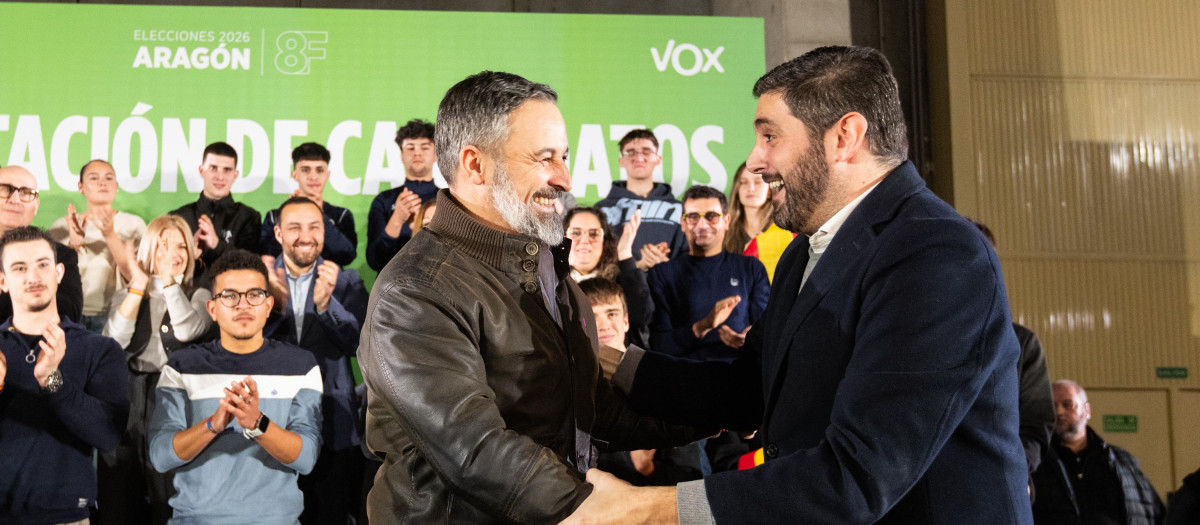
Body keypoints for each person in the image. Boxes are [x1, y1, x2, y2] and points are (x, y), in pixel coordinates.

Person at [564, 46, 1032, 524]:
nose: (754, 161)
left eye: (770, 136)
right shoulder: (803, 253)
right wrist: (612, 363)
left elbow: (858, 475)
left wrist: (643, 508)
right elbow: (749, 390)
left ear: (844, 137)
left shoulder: (935, 252)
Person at [358, 70, 702, 523]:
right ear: (475, 165)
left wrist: (730, 406)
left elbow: (592, 409)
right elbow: (475, 451)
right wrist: (642, 509)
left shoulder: (548, 271)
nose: (565, 178)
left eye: (564, 156)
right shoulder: (414, 290)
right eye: (545, 158)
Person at [148, 249, 323, 525]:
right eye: (230, 296)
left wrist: (258, 423)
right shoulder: (181, 367)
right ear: (212, 309)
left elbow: (306, 458)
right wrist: (212, 426)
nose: (243, 305)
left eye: (254, 295)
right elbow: (161, 456)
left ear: (268, 305)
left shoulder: (301, 366)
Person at [0, 225, 129, 524]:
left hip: (66, 517)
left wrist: (53, 380)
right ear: (3, 281)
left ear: (59, 273)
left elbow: (108, 436)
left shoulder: (100, 349)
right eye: (20, 268)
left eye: (42, 265)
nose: (33, 277)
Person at [95, 214, 213, 525]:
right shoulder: (128, 294)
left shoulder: (200, 294)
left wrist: (170, 281)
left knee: (168, 492)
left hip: (176, 399)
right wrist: (138, 287)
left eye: (180, 246)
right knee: (119, 491)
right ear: (148, 249)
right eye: (162, 245)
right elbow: (113, 342)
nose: (172, 252)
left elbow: (187, 330)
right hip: (129, 395)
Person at [262, 196, 368, 525]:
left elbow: (361, 347)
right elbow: (243, 347)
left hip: (334, 423)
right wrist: (273, 307)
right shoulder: (258, 281)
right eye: (295, 227)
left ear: (324, 231)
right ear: (278, 233)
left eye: (314, 227)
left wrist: (327, 307)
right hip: (271, 423)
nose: (306, 236)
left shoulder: (347, 281)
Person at [582, 277, 704, 488]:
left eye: (611, 314)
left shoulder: (665, 382)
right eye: (592, 317)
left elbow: (691, 480)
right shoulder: (571, 388)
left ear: (626, 321)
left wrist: (648, 468)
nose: (603, 326)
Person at [970, 219, 1055, 481]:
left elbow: (1035, 425)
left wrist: (1013, 472)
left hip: (1000, 484)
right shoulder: (921, 335)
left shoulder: (1022, 343)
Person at [647, 185, 769, 362]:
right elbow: (659, 345)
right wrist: (702, 326)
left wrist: (749, 338)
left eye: (711, 216)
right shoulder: (662, 274)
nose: (702, 225)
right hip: (684, 372)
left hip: (738, 371)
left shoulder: (751, 268)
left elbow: (767, 330)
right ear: (683, 223)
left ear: (726, 221)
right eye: (693, 217)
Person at [1031, 380, 1165, 524]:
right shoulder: (1034, 462)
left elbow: (1152, 511)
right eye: (1052, 406)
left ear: (1087, 410)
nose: (1058, 412)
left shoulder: (1123, 462)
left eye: (1068, 405)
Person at [48, 159, 146, 332]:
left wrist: (110, 235)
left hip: (115, 314)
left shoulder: (133, 225)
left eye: (109, 178)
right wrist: (73, 244)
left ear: (116, 186)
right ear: (80, 186)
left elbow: (135, 277)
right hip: (68, 313)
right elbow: (50, 276)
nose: (102, 183)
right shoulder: (62, 226)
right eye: (94, 178)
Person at [0, 165, 83, 323]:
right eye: (5, 189)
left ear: (36, 206)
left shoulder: (60, 254)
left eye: (25, 193)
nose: (15, 200)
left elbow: (69, 313)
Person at [169, 142, 262, 282]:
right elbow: (164, 266)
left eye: (227, 170)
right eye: (213, 168)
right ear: (201, 171)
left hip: (231, 293)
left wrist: (217, 245)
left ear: (235, 175)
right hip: (185, 292)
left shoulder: (248, 218)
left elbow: (251, 268)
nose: (220, 176)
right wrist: (190, 255)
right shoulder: (178, 217)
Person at [596, 129, 688, 271]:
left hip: (670, 284)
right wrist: (636, 267)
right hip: (617, 284)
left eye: (646, 152)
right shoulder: (603, 209)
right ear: (621, 161)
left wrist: (666, 266)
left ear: (658, 159)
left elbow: (690, 255)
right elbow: (596, 259)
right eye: (630, 152)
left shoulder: (679, 208)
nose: (639, 157)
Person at [564, 206, 653, 349]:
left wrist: (624, 254)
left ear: (605, 240)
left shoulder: (622, 277)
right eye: (576, 233)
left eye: (593, 234)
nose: (585, 240)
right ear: (563, 238)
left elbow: (641, 316)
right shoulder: (550, 281)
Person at [260, 143, 357, 267]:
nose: (313, 176)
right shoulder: (274, 216)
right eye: (306, 170)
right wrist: (291, 215)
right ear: (294, 174)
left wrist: (319, 214)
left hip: (329, 278)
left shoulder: (341, 215)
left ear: (327, 175)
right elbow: (268, 254)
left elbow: (346, 256)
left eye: (319, 170)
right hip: (284, 278)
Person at [365, 119, 440, 272]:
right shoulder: (384, 200)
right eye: (410, 148)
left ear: (436, 155)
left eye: (425, 147)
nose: (417, 153)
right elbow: (375, 261)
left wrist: (420, 227)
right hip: (391, 281)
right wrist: (397, 219)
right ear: (401, 156)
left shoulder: (448, 199)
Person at [723, 162, 794, 282]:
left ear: (769, 189)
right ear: (737, 189)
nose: (750, 188)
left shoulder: (786, 230)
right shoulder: (725, 233)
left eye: (757, 182)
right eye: (743, 183)